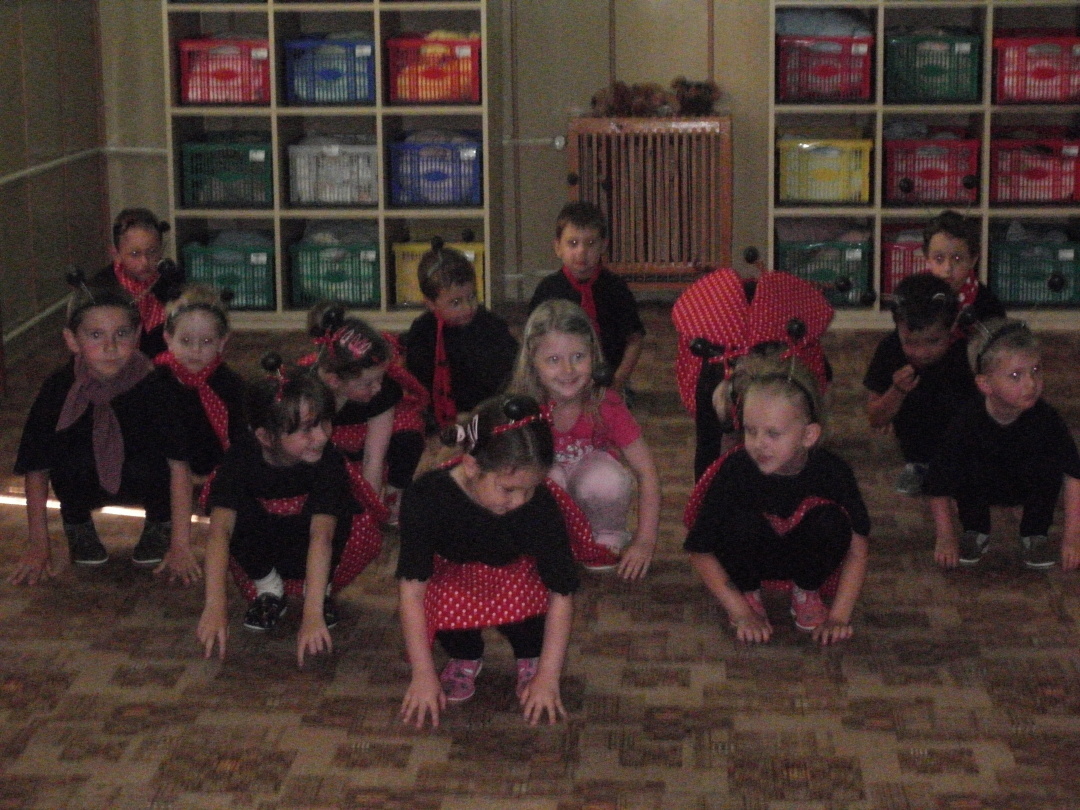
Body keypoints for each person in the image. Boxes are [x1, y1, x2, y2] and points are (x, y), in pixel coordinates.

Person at [397, 395, 580, 729]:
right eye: (508, 490)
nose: (520, 501)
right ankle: (465, 654)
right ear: (471, 466)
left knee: (533, 623)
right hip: (456, 578)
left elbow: (561, 592)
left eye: (530, 489)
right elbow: (412, 590)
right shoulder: (427, 498)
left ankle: (530, 655)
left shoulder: (539, 506)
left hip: (517, 577)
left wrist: (548, 676)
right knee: (441, 607)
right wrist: (422, 674)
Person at [684, 359, 870, 645]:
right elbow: (700, 549)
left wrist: (839, 618)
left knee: (832, 522)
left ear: (808, 435)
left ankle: (806, 589)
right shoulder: (735, 469)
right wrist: (741, 613)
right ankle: (748, 591)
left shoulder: (834, 472)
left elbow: (858, 549)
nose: (759, 443)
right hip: (747, 558)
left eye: (773, 433)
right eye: (750, 430)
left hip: (800, 556)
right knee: (737, 522)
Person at [10, 284, 186, 585]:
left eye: (121, 334)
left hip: (144, 477)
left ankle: (160, 522)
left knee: (160, 464)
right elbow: (36, 467)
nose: (110, 346)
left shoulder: (158, 385)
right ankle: (77, 523)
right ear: (72, 340)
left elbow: (179, 465)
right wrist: (39, 544)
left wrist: (181, 545)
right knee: (66, 462)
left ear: (138, 334)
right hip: (83, 479)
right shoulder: (58, 388)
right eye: (95, 335)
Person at [196, 363, 364, 667]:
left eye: (324, 423)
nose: (322, 437)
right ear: (265, 436)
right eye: (306, 429)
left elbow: (322, 536)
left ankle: (319, 590)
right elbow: (219, 531)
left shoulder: (329, 461)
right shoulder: (241, 458)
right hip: (264, 551)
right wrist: (214, 606)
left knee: (347, 515)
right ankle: (268, 588)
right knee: (235, 513)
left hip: (313, 551)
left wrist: (312, 615)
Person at [508, 299, 660, 581]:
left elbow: (646, 471)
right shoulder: (523, 408)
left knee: (605, 479)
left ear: (593, 353)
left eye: (578, 356)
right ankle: (548, 540)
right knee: (544, 477)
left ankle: (606, 534)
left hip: (591, 490)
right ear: (532, 361)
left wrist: (644, 541)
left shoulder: (606, 403)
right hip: (549, 501)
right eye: (554, 360)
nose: (568, 371)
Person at [925, 318, 1080, 570]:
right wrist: (945, 536)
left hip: (1027, 483)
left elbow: (1074, 475)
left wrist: (1072, 538)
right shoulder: (965, 422)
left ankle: (1035, 533)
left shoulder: (1047, 419)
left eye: (1036, 370)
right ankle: (975, 529)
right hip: (981, 484)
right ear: (985, 384)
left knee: (1050, 465)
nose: (1031, 384)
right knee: (964, 466)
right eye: (1016, 376)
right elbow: (938, 482)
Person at [150, 284, 248, 585]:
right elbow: (175, 464)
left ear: (222, 342)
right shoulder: (158, 384)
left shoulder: (231, 385)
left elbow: (241, 448)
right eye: (186, 341)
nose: (195, 351)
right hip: (167, 468)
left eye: (206, 342)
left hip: (215, 466)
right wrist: (181, 544)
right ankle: (159, 527)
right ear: (168, 338)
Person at [305, 302, 427, 525]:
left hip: (361, 433)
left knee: (409, 436)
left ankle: (393, 498)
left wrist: (369, 514)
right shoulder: (307, 396)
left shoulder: (380, 390)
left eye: (380, 378)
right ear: (334, 380)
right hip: (324, 443)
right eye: (368, 383)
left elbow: (374, 457)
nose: (377, 387)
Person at [863, 273, 979, 496]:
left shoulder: (967, 352)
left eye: (934, 341)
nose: (922, 352)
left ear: (952, 328)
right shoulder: (890, 350)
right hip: (917, 456)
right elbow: (875, 418)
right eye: (910, 342)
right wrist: (896, 391)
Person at [527, 201, 645, 397]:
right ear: (558, 247)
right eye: (573, 243)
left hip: (609, 380)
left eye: (590, 244)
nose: (581, 252)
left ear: (603, 246)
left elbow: (634, 339)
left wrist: (618, 381)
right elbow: (533, 343)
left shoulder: (616, 288)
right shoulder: (548, 290)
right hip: (559, 381)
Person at [403, 237, 519, 429]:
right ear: (430, 304)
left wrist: (477, 415)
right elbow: (418, 389)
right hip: (438, 422)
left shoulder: (491, 327)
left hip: (487, 417)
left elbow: (507, 380)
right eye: (455, 302)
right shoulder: (422, 333)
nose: (468, 307)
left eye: (472, 297)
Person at [92, 208, 184, 359]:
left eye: (152, 251)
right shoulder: (102, 288)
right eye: (135, 254)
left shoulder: (170, 279)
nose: (145, 262)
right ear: (116, 254)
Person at [923, 210, 1005, 325]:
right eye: (939, 259)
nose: (947, 268)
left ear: (972, 260)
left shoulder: (989, 306)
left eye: (957, 259)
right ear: (927, 259)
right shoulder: (915, 297)